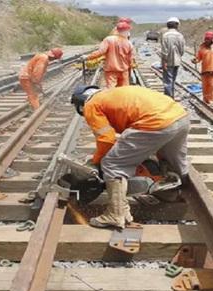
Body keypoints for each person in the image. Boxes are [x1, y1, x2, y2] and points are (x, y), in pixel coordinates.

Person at [70, 85, 190, 229]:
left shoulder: (91, 104)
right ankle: (177, 193)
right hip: (180, 116)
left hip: (155, 123)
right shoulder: (111, 94)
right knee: (174, 159)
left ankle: (115, 214)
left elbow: (106, 139)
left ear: (81, 103)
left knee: (113, 164)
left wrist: (97, 162)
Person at [84, 22, 134, 89]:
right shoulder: (129, 43)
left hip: (111, 71)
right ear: (127, 31)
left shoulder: (108, 39)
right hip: (123, 71)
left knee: (111, 90)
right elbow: (130, 60)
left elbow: (101, 52)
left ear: (117, 30)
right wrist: (129, 72)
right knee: (124, 91)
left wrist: (87, 57)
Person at [160, 17, 185, 99]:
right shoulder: (180, 35)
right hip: (177, 61)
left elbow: (164, 50)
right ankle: (171, 95)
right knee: (173, 79)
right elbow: (182, 50)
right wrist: (178, 56)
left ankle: (169, 97)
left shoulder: (165, 36)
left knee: (168, 80)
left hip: (168, 61)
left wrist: (164, 61)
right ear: (177, 25)